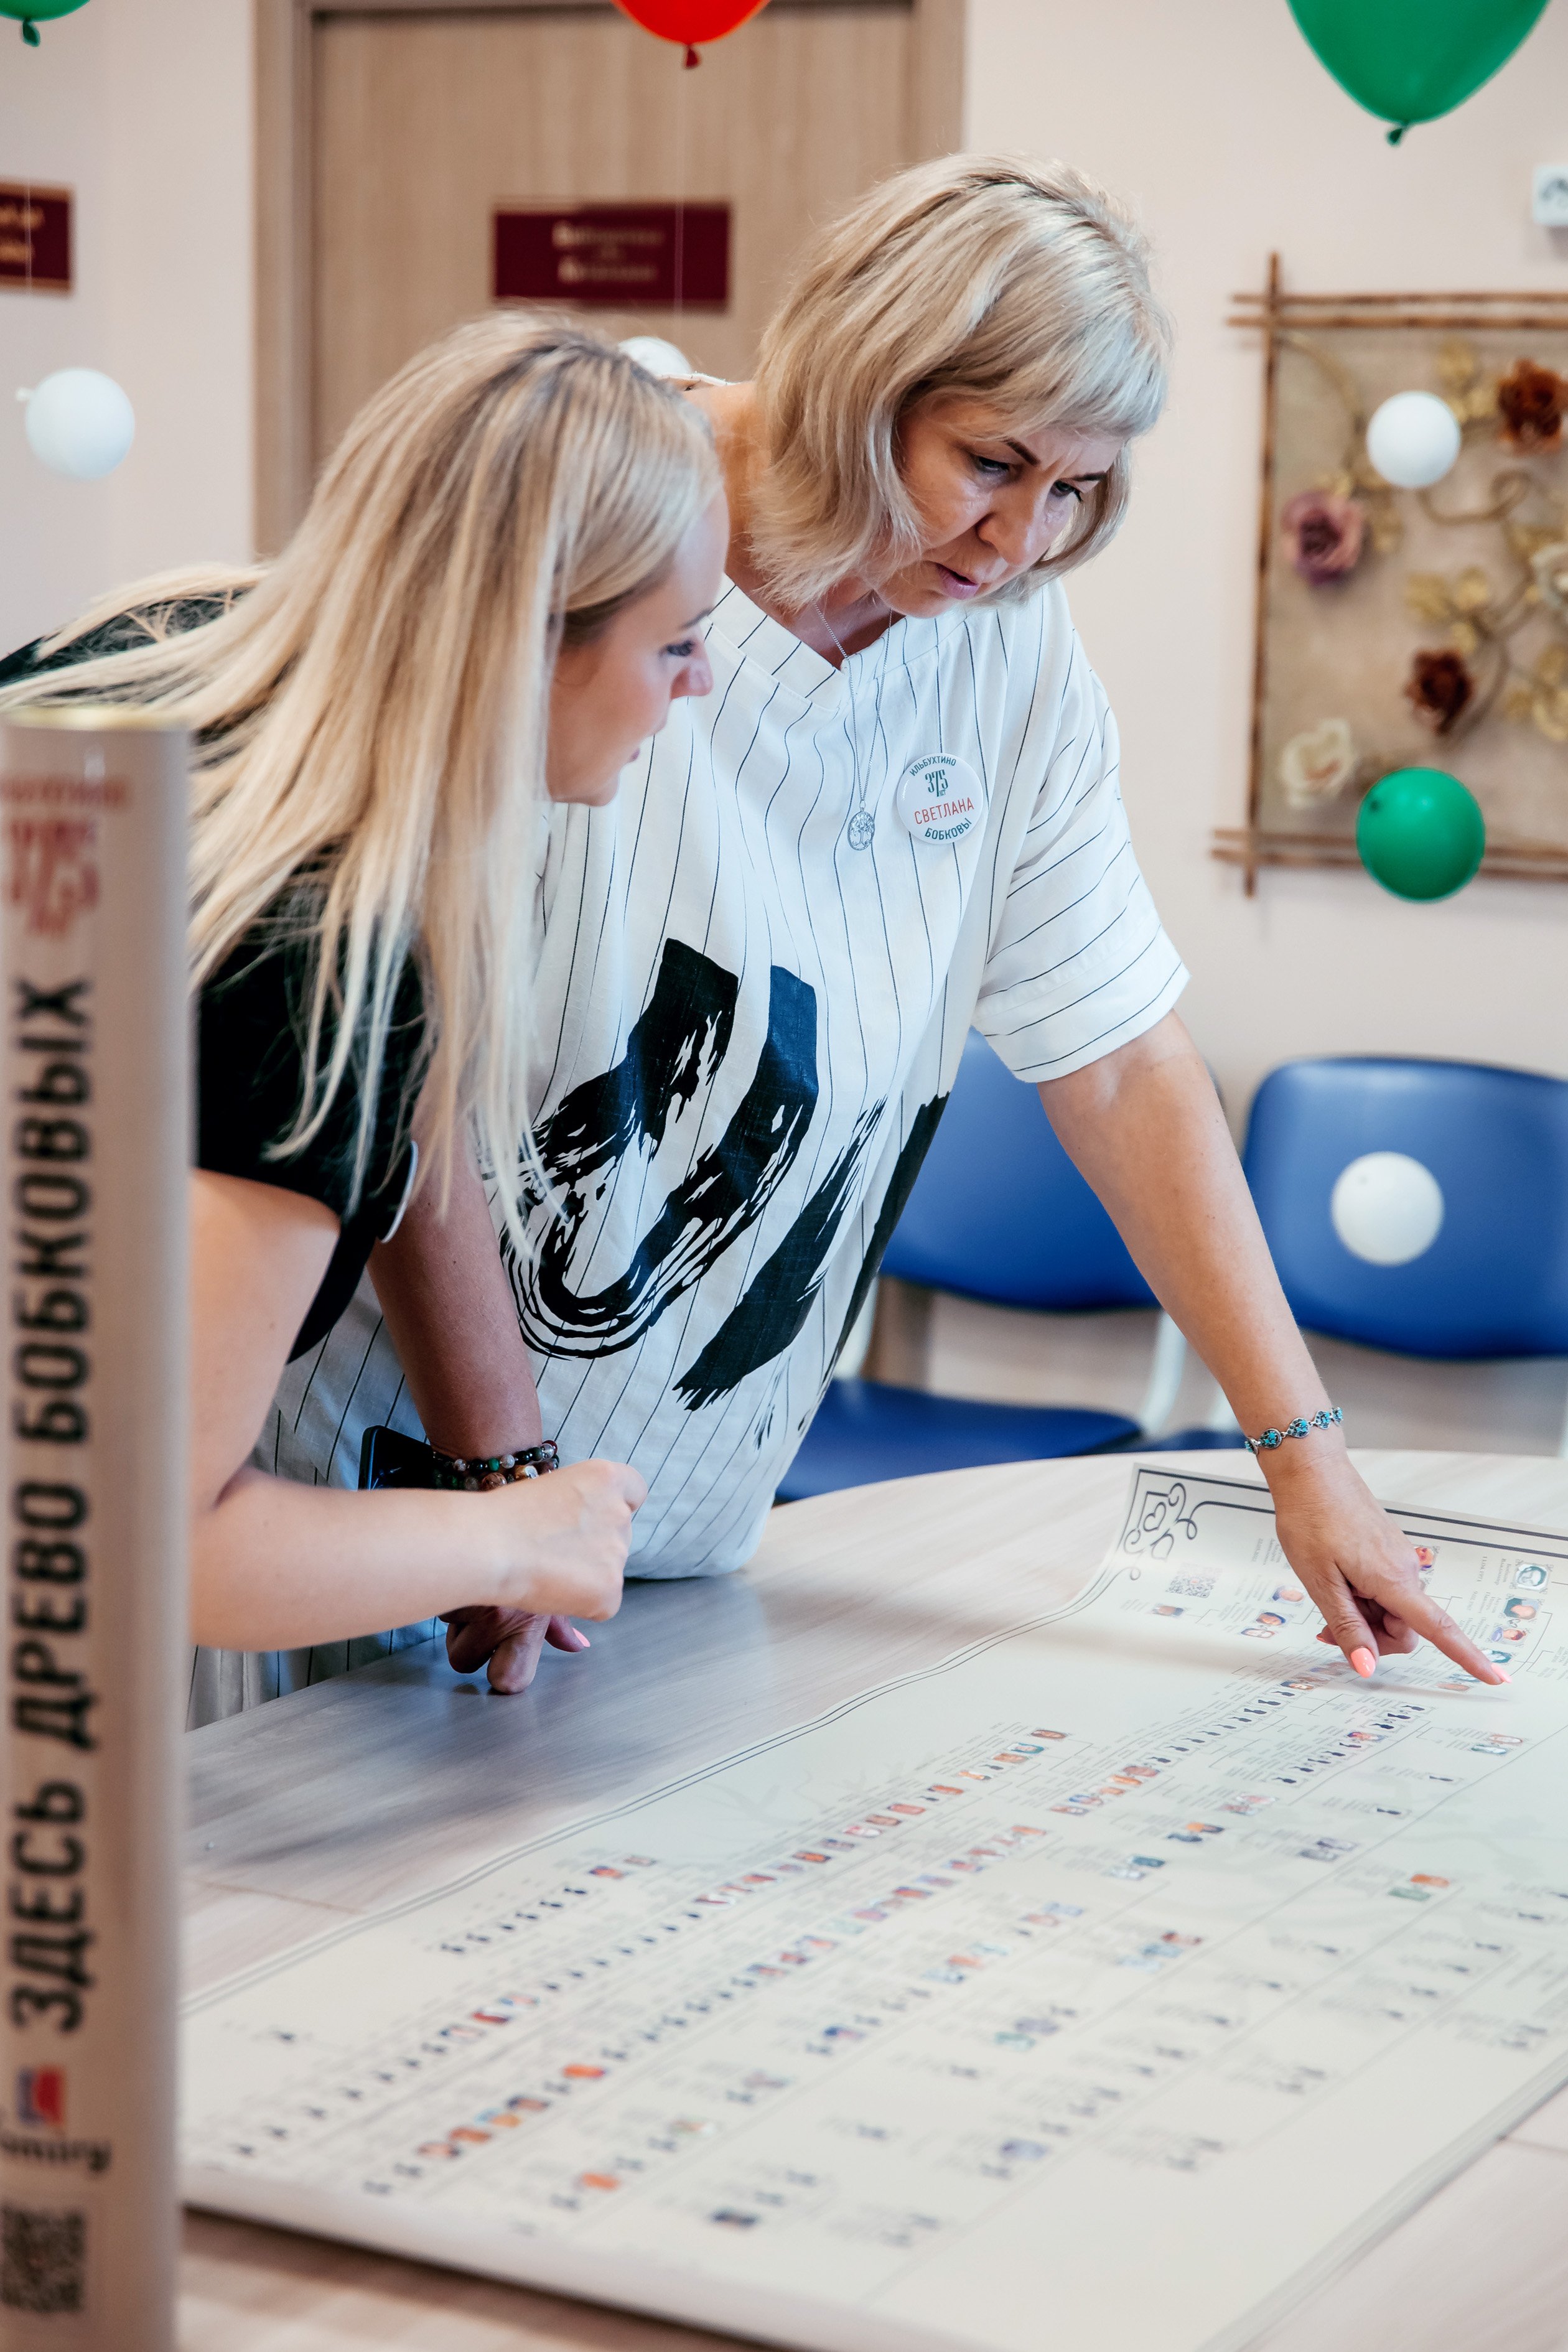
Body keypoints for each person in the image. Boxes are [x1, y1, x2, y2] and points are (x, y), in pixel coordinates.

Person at [258, 155, 1503, 1701]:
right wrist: (498, 1477)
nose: (1019, 541)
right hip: (378, 1496)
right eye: (990, 463)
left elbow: (1118, 1058)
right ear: (862, 383)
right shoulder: (588, 506)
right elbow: (403, 1064)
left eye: (1076, 490)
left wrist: (1303, 1457)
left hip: (679, 1525)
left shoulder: (1008, 642)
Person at [0, 319, 727, 1716]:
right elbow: (150, 1536)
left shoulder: (171, 647)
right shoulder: (317, 939)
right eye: (678, 644)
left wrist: (496, 1467)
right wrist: (529, 1536)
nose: (700, 687)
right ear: (526, 641)